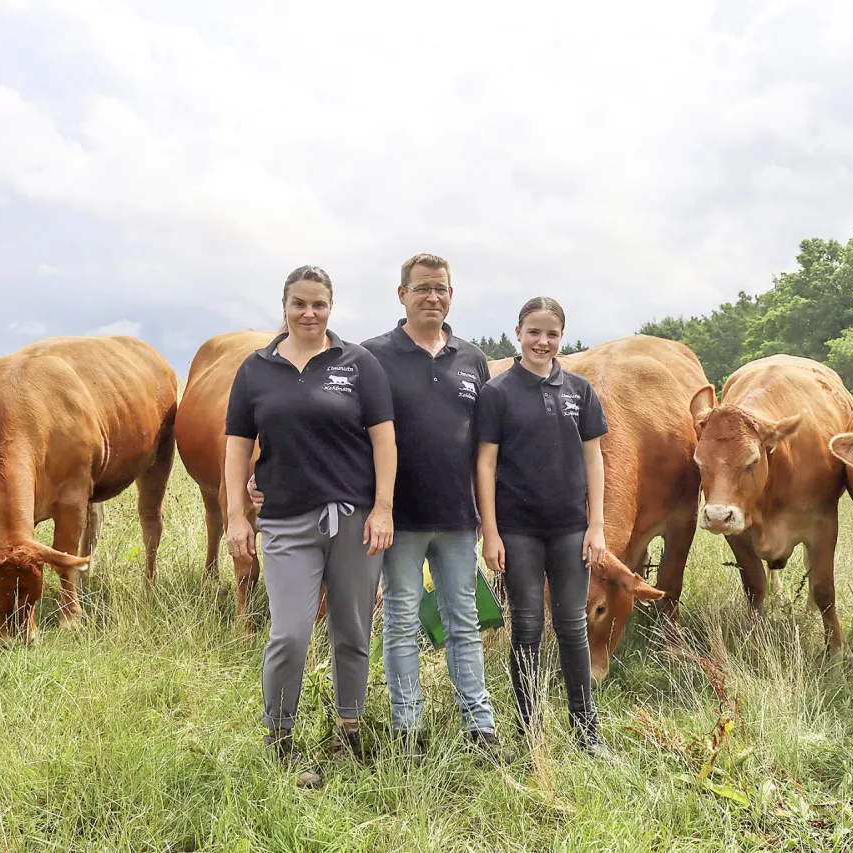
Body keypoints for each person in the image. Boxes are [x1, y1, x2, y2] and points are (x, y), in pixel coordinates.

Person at [250, 253, 499, 756]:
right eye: (422, 288)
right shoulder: (371, 356)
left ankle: (481, 727)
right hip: (394, 518)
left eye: (441, 289)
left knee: (465, 622)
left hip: (457, 517)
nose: (432, 297)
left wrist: (486, 517)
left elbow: (486, 448)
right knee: (401, 621)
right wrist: (267, 476)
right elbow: (331, 427)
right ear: (401, 294)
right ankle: (407, 729)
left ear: (452, 295)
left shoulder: (473, 360)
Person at [224, 264, 396, 788]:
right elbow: (237, 447)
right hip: (285, 522)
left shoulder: (358, 364)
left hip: (354, 521)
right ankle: (279, 738)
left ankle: (349, 732)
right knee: (290, 633)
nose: (309, 312)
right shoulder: (256, 369)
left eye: (318, 303)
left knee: (353, 631)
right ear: (284, 306)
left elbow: (384, 440)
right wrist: (236, 514)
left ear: (330, 306)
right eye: (299, 303)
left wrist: (383, 508)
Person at [474, 296, 609, 755]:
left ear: (561, 337)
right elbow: (485, 464)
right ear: (518, 333)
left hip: (571, 528)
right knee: (527, 628)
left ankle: (586, 731)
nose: (542, 341)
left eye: (552, 334)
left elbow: (594, 460)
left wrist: (596, 525)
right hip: (518, 531)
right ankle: (529, 732)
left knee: (572, 626)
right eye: (533, 332)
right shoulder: (497, 392)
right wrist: (491, 532)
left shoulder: (579, 391)